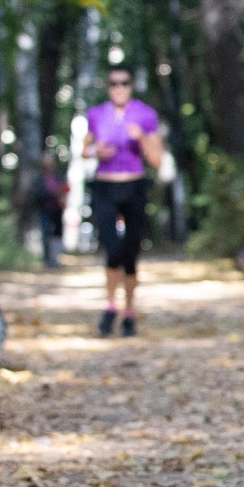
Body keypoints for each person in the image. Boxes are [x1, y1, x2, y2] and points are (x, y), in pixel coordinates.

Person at [80, 66, 163, 338]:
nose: (119, 88)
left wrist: (141, 138)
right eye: (114, 83)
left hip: (134, 185)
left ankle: (129, 312)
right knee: (112, 249)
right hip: (105, 186)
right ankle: (109, 306)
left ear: (131, 85)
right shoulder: (97, 114)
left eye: (124, 83)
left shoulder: (145, 115)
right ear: (108, 86)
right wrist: (95, 151)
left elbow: (157, 160)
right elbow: (84, 150)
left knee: (130, 253)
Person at [33, 154, 69, 270]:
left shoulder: (59, 177)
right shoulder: (39, 179)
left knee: (57, 235)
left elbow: (66, 189)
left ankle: (56, 259)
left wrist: (63, 198)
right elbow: (37, 194)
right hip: (45, 210)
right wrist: (53, 194)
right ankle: (47, 260)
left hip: (57, 211)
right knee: (46, 234)